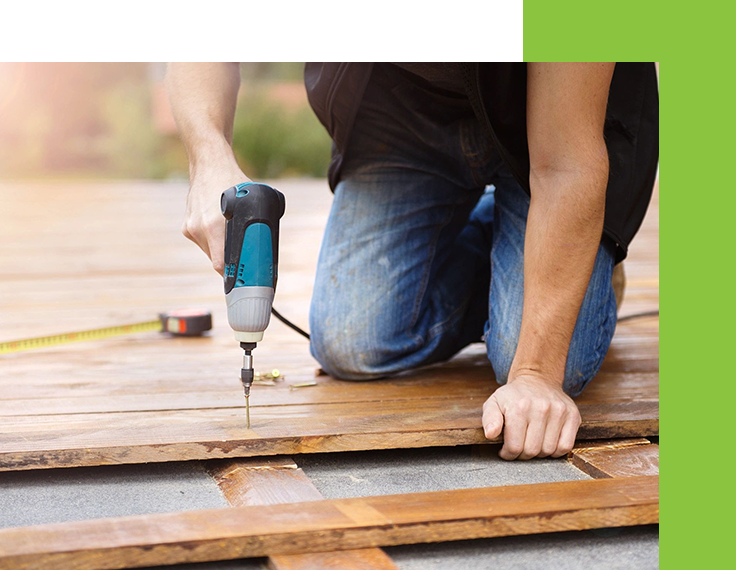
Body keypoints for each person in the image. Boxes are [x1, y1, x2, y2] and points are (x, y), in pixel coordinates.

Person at [166, 62, 658, 461]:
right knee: (351, 343)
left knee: (548, 367)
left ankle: (581, 248)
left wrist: (535, 376)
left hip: (562, 121)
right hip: (400, 108)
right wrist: (209, 158)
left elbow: (566, 164)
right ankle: (526, 242)